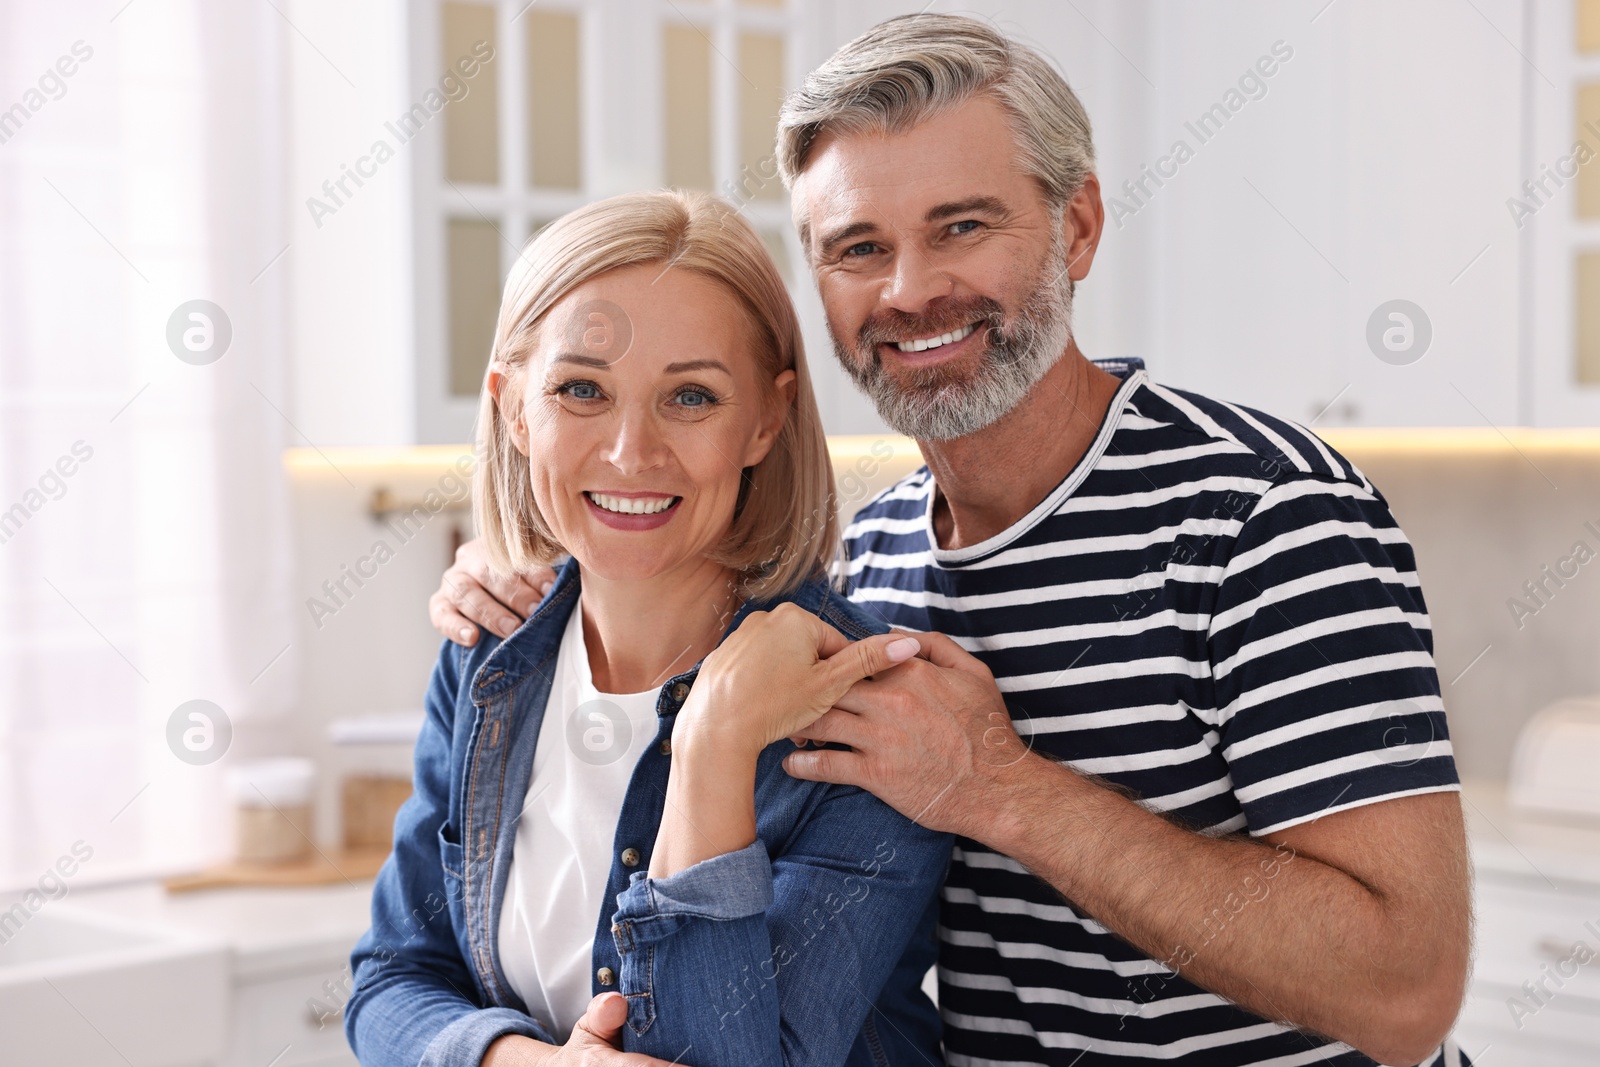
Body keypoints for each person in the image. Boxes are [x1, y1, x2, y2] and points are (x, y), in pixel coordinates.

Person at [428, 15, 1474, 1067]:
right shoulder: (868, 563)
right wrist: (526, 567)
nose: (909, 290)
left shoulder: (1262, 516)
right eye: (857, 248)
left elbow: (1405, 992)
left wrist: (997, 785)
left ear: (1076, 227)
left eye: (962, 226)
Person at [346, 189, 953, 1067]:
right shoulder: (488, 660)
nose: (633, 451)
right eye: (582, 389)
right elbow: (393, 977)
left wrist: (712, 745)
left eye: (692, 397)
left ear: (767, 420)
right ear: (516, 409)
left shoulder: (870, 715)